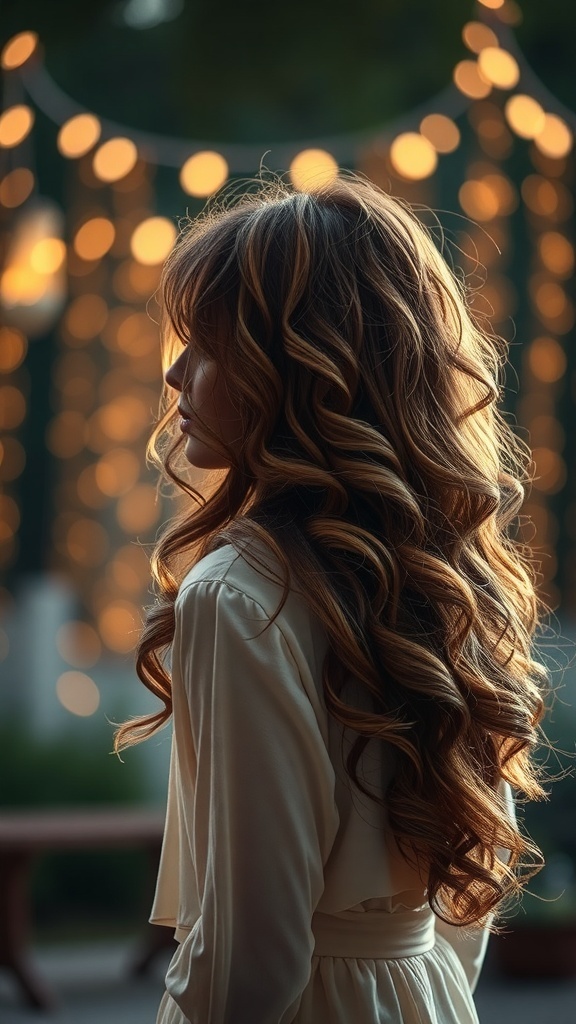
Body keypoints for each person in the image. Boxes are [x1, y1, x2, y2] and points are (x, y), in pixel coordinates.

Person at [115, 174, 549, 1024]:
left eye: (205, 345)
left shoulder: (236, 596)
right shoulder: (439, 577)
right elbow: (466, 900)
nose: (173, 372)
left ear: (299, 367)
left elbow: (252, 964)